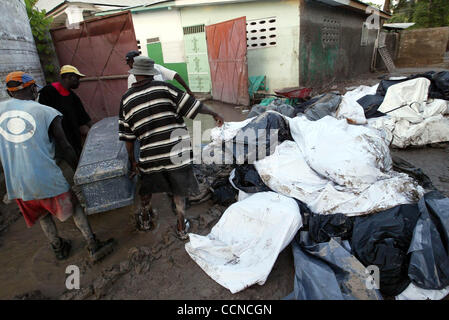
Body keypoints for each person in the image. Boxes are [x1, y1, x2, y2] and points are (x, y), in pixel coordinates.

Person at [1, 71, 115, 262]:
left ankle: (58, 248)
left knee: (42, 214)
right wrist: (79, 171)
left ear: (10, 92)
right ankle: (93, 244)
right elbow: (65, 146)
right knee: (75, 207)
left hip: (17, 182)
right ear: (32, 88)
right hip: (46, 177)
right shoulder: (46, 112)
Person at [119, 56, 224, 239]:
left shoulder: (126, 100)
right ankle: (182, 228)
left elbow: (128, 139)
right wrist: (214, 113)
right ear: (152, 74)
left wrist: (133, 161)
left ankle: (145, 220)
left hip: (150, 155)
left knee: (147, 188)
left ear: (135, 75)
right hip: (178, 151)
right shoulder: (165, 88)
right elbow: (193, 106)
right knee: (178, 189)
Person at [38, 65, 92, 158]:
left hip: (74, 136)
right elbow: (43, 115)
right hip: (59, 137)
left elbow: (83, 117)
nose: (78, 82)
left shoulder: (73, 96)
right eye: (77, 78)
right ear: (69, 77)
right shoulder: (48, 91)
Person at [126, 50, 195, 96]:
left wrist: (188, 90)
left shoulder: (156, 68)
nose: (130, 65)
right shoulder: (165, 86)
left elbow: (175, 75)